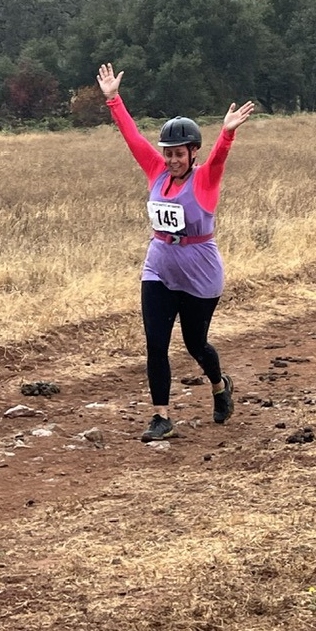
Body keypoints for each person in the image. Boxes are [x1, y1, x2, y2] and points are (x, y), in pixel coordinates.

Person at [96, 62, 255, 442]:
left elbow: (218, 158)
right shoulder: (156, 171)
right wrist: (113, 99)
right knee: (156, 344)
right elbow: (133, 138)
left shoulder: (205, 179)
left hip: (200, 274)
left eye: (178, 154)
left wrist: (228, 135)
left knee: (195, 344)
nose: (171, 159)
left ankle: (219, 386)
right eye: (168, 153)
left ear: (193, 152)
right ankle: (161, 416)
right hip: (159, 269)